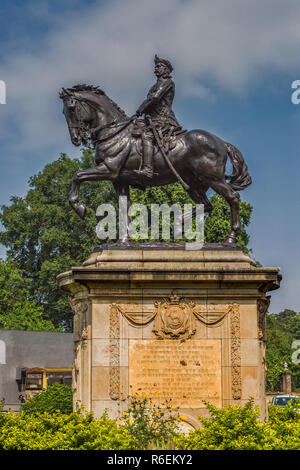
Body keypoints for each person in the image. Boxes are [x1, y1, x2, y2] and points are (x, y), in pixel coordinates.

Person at [134, 55, 181, 178]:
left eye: (159, 66)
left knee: (147, 135)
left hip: (162, 120)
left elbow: (154, 98)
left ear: (166, 69)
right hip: (151, 119)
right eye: (155, 67)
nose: (156, 69)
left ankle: (148, 169)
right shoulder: (157, 83)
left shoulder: (167, 82)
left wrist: (140, 110)